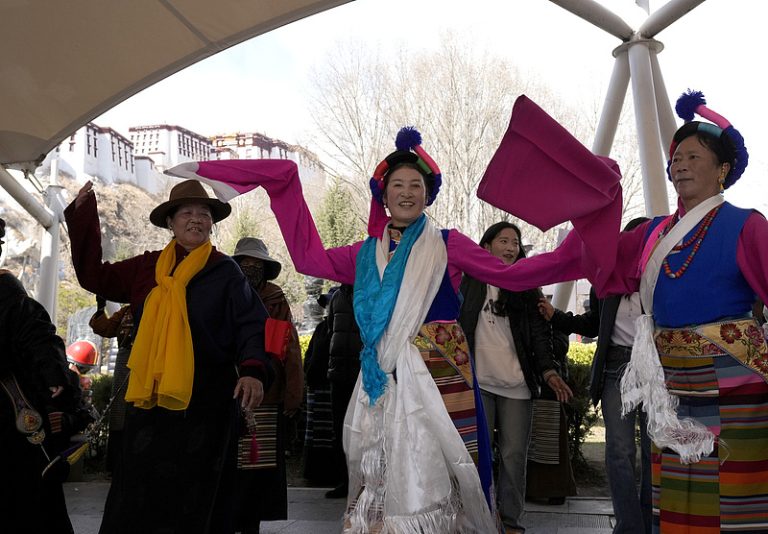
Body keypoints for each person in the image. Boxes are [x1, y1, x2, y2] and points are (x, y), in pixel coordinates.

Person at [166, 127, 563, 533]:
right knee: (381, 472)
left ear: (427, 194)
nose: (406, 192)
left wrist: (578, 254)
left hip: (438, 374)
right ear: (384, 195)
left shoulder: (449, 245)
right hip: (380, 376)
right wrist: (282, 184)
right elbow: (309, 257)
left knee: (437, 473)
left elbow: (513, 276)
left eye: (415, 185)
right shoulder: (363, 253)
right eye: (397, 185)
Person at [477, 90, 768, 532]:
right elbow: (572, 259)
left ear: (723, 169)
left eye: (693, 155)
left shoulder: (748, 225)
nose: (680, 163)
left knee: (732, 500)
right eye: (676, 157)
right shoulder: (651, 235)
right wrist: (482, 263)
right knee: (676, 498)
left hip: (734, 387)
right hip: (668, 385)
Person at [64, 179, 274, 534]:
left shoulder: (226, 272)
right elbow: (94, 276)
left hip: (205, 403)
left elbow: (253, 326)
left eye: (204, 214)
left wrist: (253, 371)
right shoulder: (146, 269)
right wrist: (85, 214)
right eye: (187, 213)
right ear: (171, 223)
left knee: (197, 497)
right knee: (137, 493)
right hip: (150, 402)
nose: (196, 220)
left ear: (212, 223)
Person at [538, 217, 652, 534]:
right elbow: (592, 324)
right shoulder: (606, 277)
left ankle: (651, 519)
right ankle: (630, 526)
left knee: (655, 449)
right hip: (616, 366)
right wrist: (557, 317)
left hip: (654, 368)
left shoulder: (659, 280)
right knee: (619, 450)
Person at [458, 221, 572, 533]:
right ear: (486, 246)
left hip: (517, 386)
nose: (511, 247)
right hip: (477, 382)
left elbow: (539, 335)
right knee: (475, 455)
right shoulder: (468, 282)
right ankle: (477, 519)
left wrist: (548, 371)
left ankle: (510, 522)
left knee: (513, 456)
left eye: (515, 242)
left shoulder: (525, 285)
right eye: (504, 240)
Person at [0, 217, 86, 534]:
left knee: (27, 505)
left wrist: (54, 375)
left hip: (11, 422)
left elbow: (42, 341)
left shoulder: (12, 300)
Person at [231, 236, 303, 534]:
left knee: (257, 465)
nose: (250, 267)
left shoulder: (275, 301)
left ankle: (250, 525)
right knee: (229, 464)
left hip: (267, 395)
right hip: (227, 392)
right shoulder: (224, 294)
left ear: (265, 268)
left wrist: (293, 394)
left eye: (255, 263)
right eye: (244, 262)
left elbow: (289, 349)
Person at [325, 283, 363, 499]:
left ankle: (362, 482)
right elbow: (331, 329)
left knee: (362, 430)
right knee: (339, 430)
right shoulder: (337, 296)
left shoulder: (370, 290)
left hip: (362, 374)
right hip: (338, 373)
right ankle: (344, 481)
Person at [89, 296, 134, 474]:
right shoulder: (126, 312)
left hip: (147, 362)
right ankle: (115, 466)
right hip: (124, 361)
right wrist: (101, 307)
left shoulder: (158, 307)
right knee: (119, 413)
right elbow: (105, 328)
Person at [301, 288, 338, 485]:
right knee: (316, 432)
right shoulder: (321, 329)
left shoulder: (343, 327)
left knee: (329, 432)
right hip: (316, 387)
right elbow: (311, 355)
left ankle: (330, 474)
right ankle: (314, 473)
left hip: (330, 385)